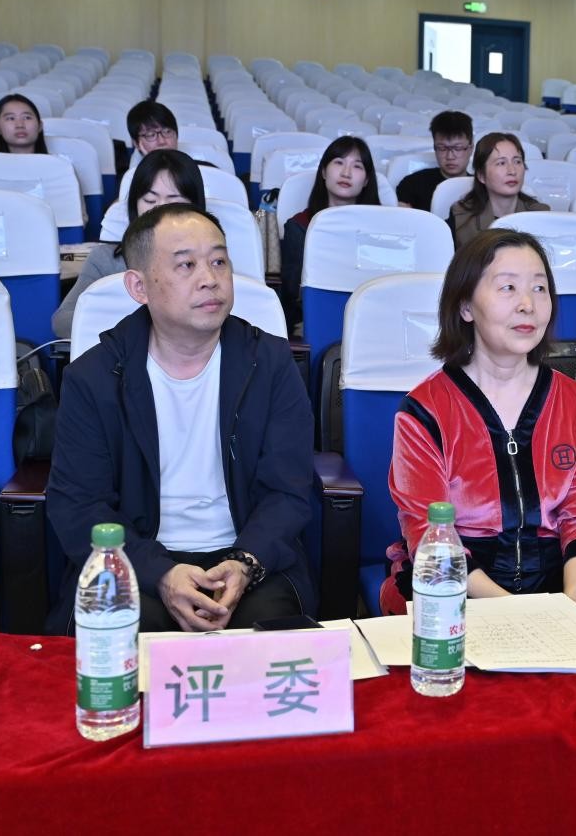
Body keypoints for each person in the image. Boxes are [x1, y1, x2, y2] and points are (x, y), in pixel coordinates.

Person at [46, 203, 316, 633]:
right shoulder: (93, 378)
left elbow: (290, 490)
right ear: (139, 286)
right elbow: (80, 505)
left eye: (219, 261)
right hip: (137, 559)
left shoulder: (270, 364)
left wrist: (245, 562)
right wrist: (160, 573)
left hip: (248, 557)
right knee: (128, 636)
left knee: (265, 639)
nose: (210, 278)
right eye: (186, 265)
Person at [388, 228, 576, 612]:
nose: (528, 304)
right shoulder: (425, 410)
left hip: (558, 585)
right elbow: (428, 532)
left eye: (539, 288)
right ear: (465, 307)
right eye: (508, 288)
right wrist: (514, 612)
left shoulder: (575, 401)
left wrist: (569, 602)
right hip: (456, 586)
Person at [52, 149, 206, 337]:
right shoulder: (105, 259)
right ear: (135, 205)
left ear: (195, 207)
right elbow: (62, 321)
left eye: (173, 201)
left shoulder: (213, 260)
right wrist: (133, 329)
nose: (160, 210)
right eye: (150, 200)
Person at [279, 135, 381, 327]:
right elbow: (293, 291)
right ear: (324, 172)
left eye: (357, 166)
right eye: (339, 162)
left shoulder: (381, 229)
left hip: (372, 319)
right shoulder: (300, 226)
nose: (346, 173)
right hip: (315, 318)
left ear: (367, 180)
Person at [447, 132, 549, 249]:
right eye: (501, 163)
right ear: (481, 175)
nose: (512, 171)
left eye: (517, 161)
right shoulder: (461, 218)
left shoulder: (541, 215)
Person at [396, 110, 473, 211]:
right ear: (434, 148)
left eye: (458, 148)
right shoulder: (412, 184)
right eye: (442, 148)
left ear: (471, 148)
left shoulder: (480, 187)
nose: (450, 156)